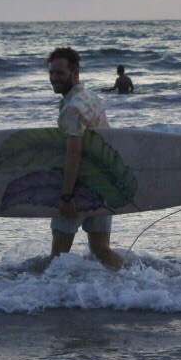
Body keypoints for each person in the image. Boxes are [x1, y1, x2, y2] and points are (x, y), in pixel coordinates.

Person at [48, 46, 124, 270]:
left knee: (58, 255)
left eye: (60, 73)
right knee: (101, 250)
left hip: (79, 190)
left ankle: (54, 299)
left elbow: (74, 152)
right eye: (51, 73)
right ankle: (134, 283)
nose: (54, 78)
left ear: (75, 72)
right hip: (103, 185)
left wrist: (67, 196)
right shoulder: (90, 96)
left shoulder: (73, 108)